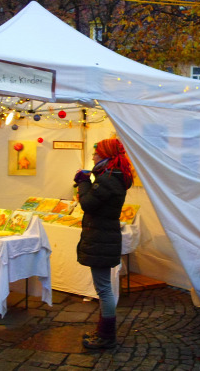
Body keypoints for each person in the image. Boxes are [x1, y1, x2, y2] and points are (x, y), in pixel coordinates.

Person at [73, 138, 133, 349]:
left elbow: (87, 204)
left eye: (96, 152)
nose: (93, 156)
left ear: (106, 155)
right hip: (104, 237)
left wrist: (83, 181)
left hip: (102, 239)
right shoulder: (110, 176)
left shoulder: (107, 179)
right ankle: (103, 333)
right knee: (103, 288)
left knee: (104, 290)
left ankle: (107, 337)